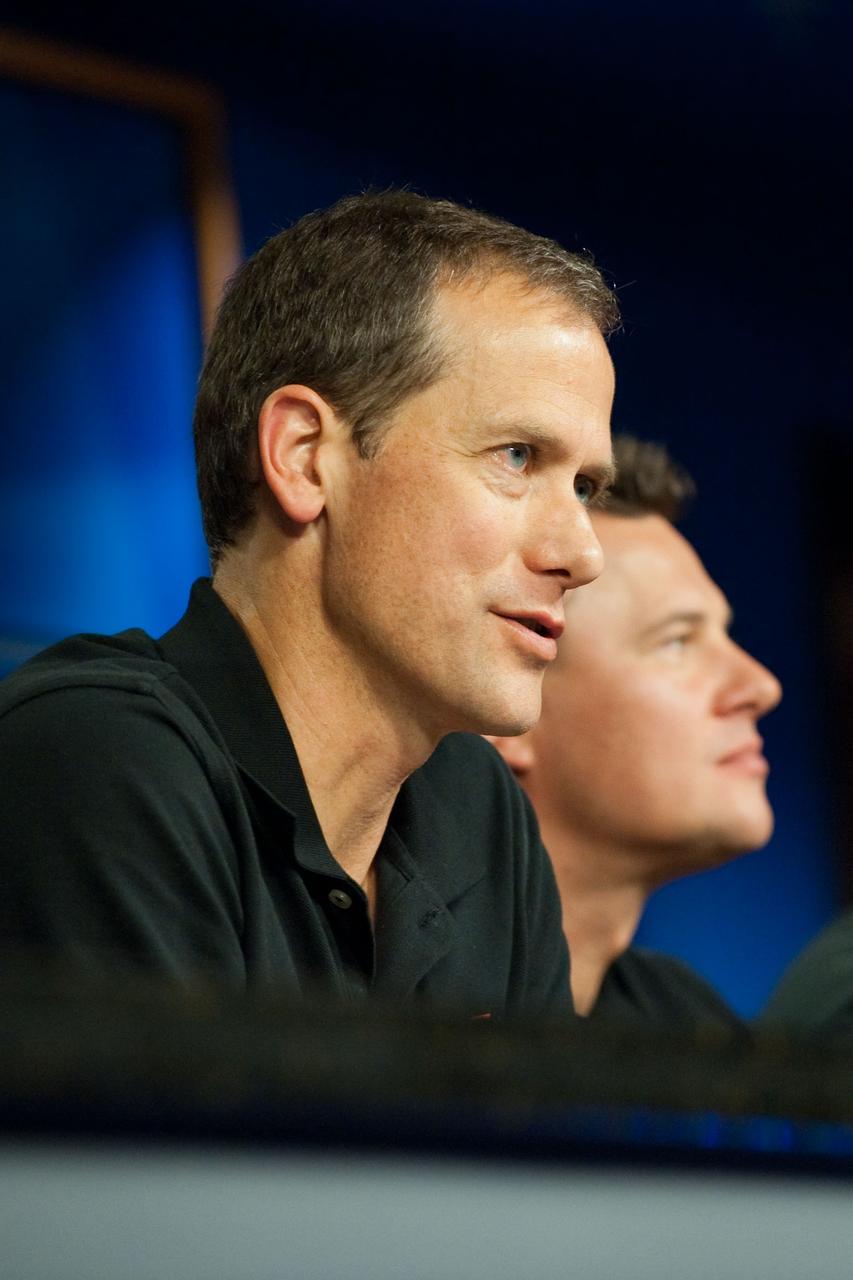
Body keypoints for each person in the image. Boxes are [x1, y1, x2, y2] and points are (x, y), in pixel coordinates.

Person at [0, 191, 618, 1019]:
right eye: (516, 455)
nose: (582, 554)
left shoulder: (478, 816)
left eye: (583, 486)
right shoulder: (94, 760)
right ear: (303, 457)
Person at [491, 435, 782, 1028]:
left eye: (724, 636)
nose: (761, 686)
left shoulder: (689, 1027)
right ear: (508, 711)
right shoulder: (373, 1006)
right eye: (677, 640)